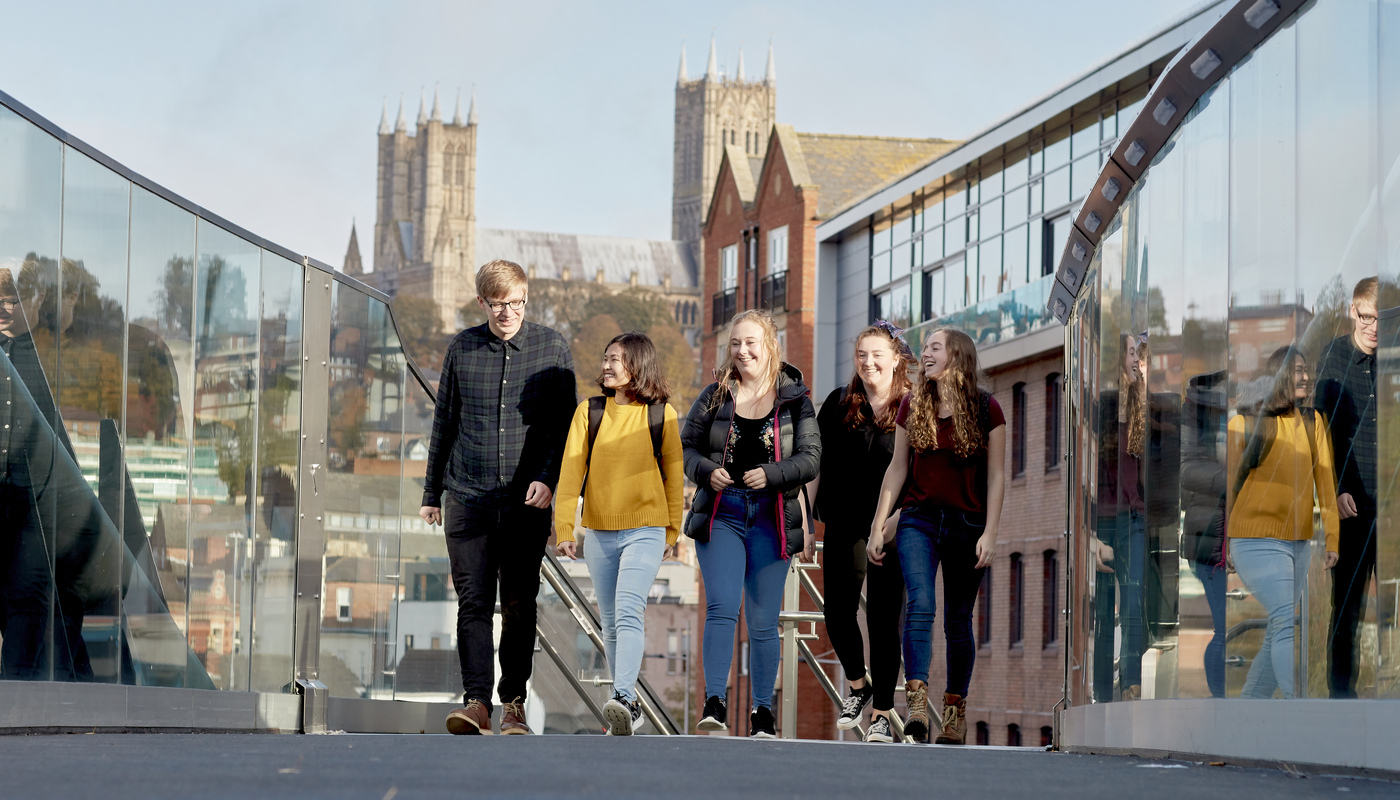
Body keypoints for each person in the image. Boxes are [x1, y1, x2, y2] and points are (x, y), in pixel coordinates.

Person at [422, 260, 576, 735]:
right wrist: (431, 492)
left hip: (526, 500)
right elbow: (444, 420)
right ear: (482, 302)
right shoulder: (462, 348)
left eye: (517, 303)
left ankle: (513, 703)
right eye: (498, 303)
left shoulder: (552, 348)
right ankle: (476, 703)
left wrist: (549, 479)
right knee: (472, 602)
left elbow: (563, 427)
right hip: (466, 495)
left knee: (518, 603)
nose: (508, 312)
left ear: (526, 299)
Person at [682, 310, 819, 739]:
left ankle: (763, 712)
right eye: (736, 344)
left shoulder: (796, 399)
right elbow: (686, 447)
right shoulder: (714, 395)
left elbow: (811, 458)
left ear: (770, 345)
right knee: (722, 606)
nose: (743, 351)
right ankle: (715, 702)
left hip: (772, 517)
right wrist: (706, 470)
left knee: (763, 620)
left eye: (751, 343)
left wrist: (772, 474)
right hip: (722, 513)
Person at [867, 327, 1004, 745]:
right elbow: (897, 469)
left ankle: (955, 710)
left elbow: (997, 477)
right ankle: (918, 707)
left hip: (968, 525)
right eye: (924, 347)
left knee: (958, 621)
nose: (924, 353)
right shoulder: (913, 404)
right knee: (920, 605)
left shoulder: (987, 409)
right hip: (918, 520)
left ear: (957, 356)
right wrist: (879, 524)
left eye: (934, 347)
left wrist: (992, 533)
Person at [553, 332, 684, 736]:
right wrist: (563, 527)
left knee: (628, 610)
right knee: (609, 622)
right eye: (606, 357)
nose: (607, 365)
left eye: (617, 359)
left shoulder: (663, 415)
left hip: (646, 529)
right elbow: (570, 473)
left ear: (638, 366)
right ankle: (626, 702)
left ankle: (625, 696)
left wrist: (672, 531)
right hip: (599, 533)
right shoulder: (589, 412)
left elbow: (674, 478)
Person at [810, 321, 913, 743]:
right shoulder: (839, 403)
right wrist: (802, 517)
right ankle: (858, 685)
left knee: (885, 621)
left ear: (895, 360)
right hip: (844, 519)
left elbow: (920, 471)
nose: (868, 363)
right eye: (861, 355)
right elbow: (814, 460)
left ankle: (884, 713)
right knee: (836, 610)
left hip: (890, 526)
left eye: (876, 355)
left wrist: (898, 516)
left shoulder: (912, 406)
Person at [1228, 345, 1338, 699]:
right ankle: (1297, 709)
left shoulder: (1313, 422)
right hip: (1253, 538)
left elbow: (1326, 484)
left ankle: (1248, 708)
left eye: (1307, 370)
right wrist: (1221, 540)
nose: (1305, 377)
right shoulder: (1244, 422)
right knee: (1284, 620)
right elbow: (1228, 486)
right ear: (1280, 377)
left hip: (1299, 542)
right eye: (1296, 371)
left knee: (1278, 627)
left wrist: (1332, 539)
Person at [1316, 277, 1379, 698]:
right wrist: (1334, 491)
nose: (1374, 328)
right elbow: (1321, 434)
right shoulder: (1334, 357)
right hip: (1351, 505)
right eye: (1367, 317)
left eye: (1381, 319)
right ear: (1352, 312)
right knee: (1348, 611)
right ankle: (1341, 702)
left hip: (1389, 509)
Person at [1092, 334, 1148, 702]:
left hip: (1137, 518)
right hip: (1103, 520)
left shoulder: (1150, 408)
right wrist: (1089, 535)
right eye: (1131, 352)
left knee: (1134, 600)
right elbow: (1083, 472)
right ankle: (1101, 694)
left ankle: (1131, 683)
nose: (1137, 360)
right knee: (1102, 611)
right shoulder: (1101, 408)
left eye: (1140, 355)